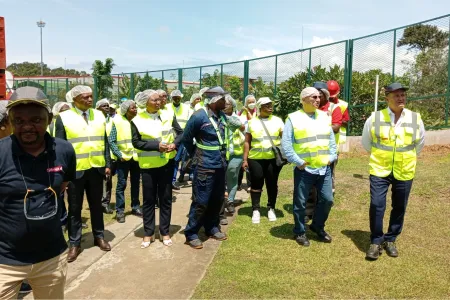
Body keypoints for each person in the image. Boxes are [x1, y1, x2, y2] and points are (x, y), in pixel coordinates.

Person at [0, 87, 76, 299]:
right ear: (10, 121)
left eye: (36, 119)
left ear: (49, 119)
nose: (27, 127)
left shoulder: (64, 150)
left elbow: (62, 185)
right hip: (5, 261)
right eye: (19, 120)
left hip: (51, 258)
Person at [362, 83, 425, 260]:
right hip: (379, 169)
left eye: (403, 95)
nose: (401, 98)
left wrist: (407, 157)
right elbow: (366, 142)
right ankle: (376, 240)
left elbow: (420, 143)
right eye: (396, 95)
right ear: (387, 98)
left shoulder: (415, 118)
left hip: (404, 169)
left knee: (399, 206)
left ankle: (390, 239)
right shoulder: (375, 117)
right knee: (376, 204)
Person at [55, 85, 112, 262]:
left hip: (96, 168)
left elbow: (104, 141)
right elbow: (59, 147)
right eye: (85, 97)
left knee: (96, 205)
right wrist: (63, 173)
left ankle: (99, 236)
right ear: (75, 99)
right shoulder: (63, 118)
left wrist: (108, 164)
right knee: (74, 208)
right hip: (74, 171)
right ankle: (75, 243)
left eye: (91, 96)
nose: (89, 100)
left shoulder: (99, 115)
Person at [182, 86, 242, 249]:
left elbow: (239, 125)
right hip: (204, 165)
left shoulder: (222, 116)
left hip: (220, 164)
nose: (226, 102)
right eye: (223, 99)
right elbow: (186, 138)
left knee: (217, 199)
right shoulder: (198, 116)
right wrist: (196, 152)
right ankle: (191, 233)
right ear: (214, 100)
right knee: (201, 200)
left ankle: (212, 227)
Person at [282, 87, 337, 247]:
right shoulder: (293, 118)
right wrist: (298, 162)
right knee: (300, 203)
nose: (318, 99)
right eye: (314, 97)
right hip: (304, 170)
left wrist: (331, 157)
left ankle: (317, 226)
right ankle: (299, 231)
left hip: (323, 168)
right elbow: (286, 145)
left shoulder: (325, 117)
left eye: (319, 97)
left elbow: (331, 141)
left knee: (327, 200)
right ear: (304, 99)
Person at [131, 90, 183, 248]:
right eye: (154, 100)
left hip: (166, 163)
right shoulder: (137, 120)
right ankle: (148, 233)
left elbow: (180, 132)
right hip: (148, 166)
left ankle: (165, 231)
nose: (158, 102)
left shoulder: (167, 115)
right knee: (148, 200)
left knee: (165, 198)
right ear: (144, 102)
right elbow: (136, 142)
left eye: (159, 99)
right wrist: (156, 146)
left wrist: (175, 143)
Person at [242, 97, 284, 224]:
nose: (270, 107)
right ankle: (256, 209)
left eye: (271, 104)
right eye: (267, 105)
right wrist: (245, 159)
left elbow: (284, 139)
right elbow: (247, 141)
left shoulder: (278, 121)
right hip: (255, 159)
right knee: (256, 182)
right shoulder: (251, 122)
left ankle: (271, 208)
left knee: (272, 183)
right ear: (260, 108)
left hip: (272, 159)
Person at [108, 100, 142, 223]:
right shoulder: (117, 121)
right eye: (133, 108)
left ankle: (135, 207)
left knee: (136, 183)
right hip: (123, 158)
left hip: (136, 157)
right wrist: (119, 154)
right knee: (121, 184)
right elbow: (111, 140)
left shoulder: (138, 120)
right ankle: (120, 211)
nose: (135, 109)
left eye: (136, 107)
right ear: (126, 109)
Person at [223, 95, 245, 215]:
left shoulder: (238, 118)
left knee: (232, 176)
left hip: (236, 154)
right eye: (224, 103)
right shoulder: (218, 118)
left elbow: (244, 130)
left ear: (233, 105)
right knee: (220, 178)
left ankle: (230, 201)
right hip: (221, 153)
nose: (225, 105)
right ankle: (221, 201)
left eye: (228, 103)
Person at [169, 89, 193, 190]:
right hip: (171, 137)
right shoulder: (167, 108)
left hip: (183, 137)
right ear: (172, 98)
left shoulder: (186, 108)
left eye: (178, 97)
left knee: (183, 158)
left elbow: (190, 122)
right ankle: (172, 180)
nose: (177, 99)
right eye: (175, 98)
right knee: (174, 159)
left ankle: (182, 176)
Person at [95, 98, 115, 214]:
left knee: (108, 181)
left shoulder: (111, 120)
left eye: (108, 105)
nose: (107, 107)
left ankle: (105, 203)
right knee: (96, 183)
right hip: (96, 156)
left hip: (109, 156)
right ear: (98, 108)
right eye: (104, 106)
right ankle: (97, 203)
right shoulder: (93, 120)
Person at [238, 94, 257, 192]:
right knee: (240, 163)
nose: (251, 104)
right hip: (241, 141)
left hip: (252, 141)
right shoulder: (241, 114)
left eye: (253, 102)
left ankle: (250, 184)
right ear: (245, 103)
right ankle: (238, 183)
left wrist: (247, 111)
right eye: (249, 102)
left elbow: (252, 123)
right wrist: (243, 111)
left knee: (250, 163)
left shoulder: (257, 113)